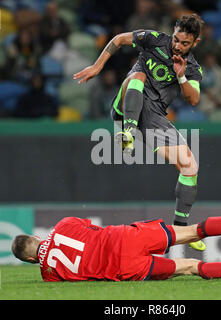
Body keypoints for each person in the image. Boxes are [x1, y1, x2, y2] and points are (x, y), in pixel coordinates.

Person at [73, 14, 205, 251]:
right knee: (138, 75)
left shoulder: (193, 68)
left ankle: (180, 229)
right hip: (126, 106)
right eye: (176, 39)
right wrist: (97, 66)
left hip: (153, 118)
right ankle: (128, 132)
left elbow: (193, 99)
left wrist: (181, 75)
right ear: (172, 33)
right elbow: (120, 39)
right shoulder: (154, 39)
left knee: (190, 166)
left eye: (184, 43)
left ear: (195, 43)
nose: (177, 45)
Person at [11, 212, 221, 282]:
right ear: (36, 238)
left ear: (30, 260)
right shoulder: (63, 224)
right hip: (127, 237)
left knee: (192, 267)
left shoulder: (47, 273)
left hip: (125, 267)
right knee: (194, 231)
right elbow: (88, 226)